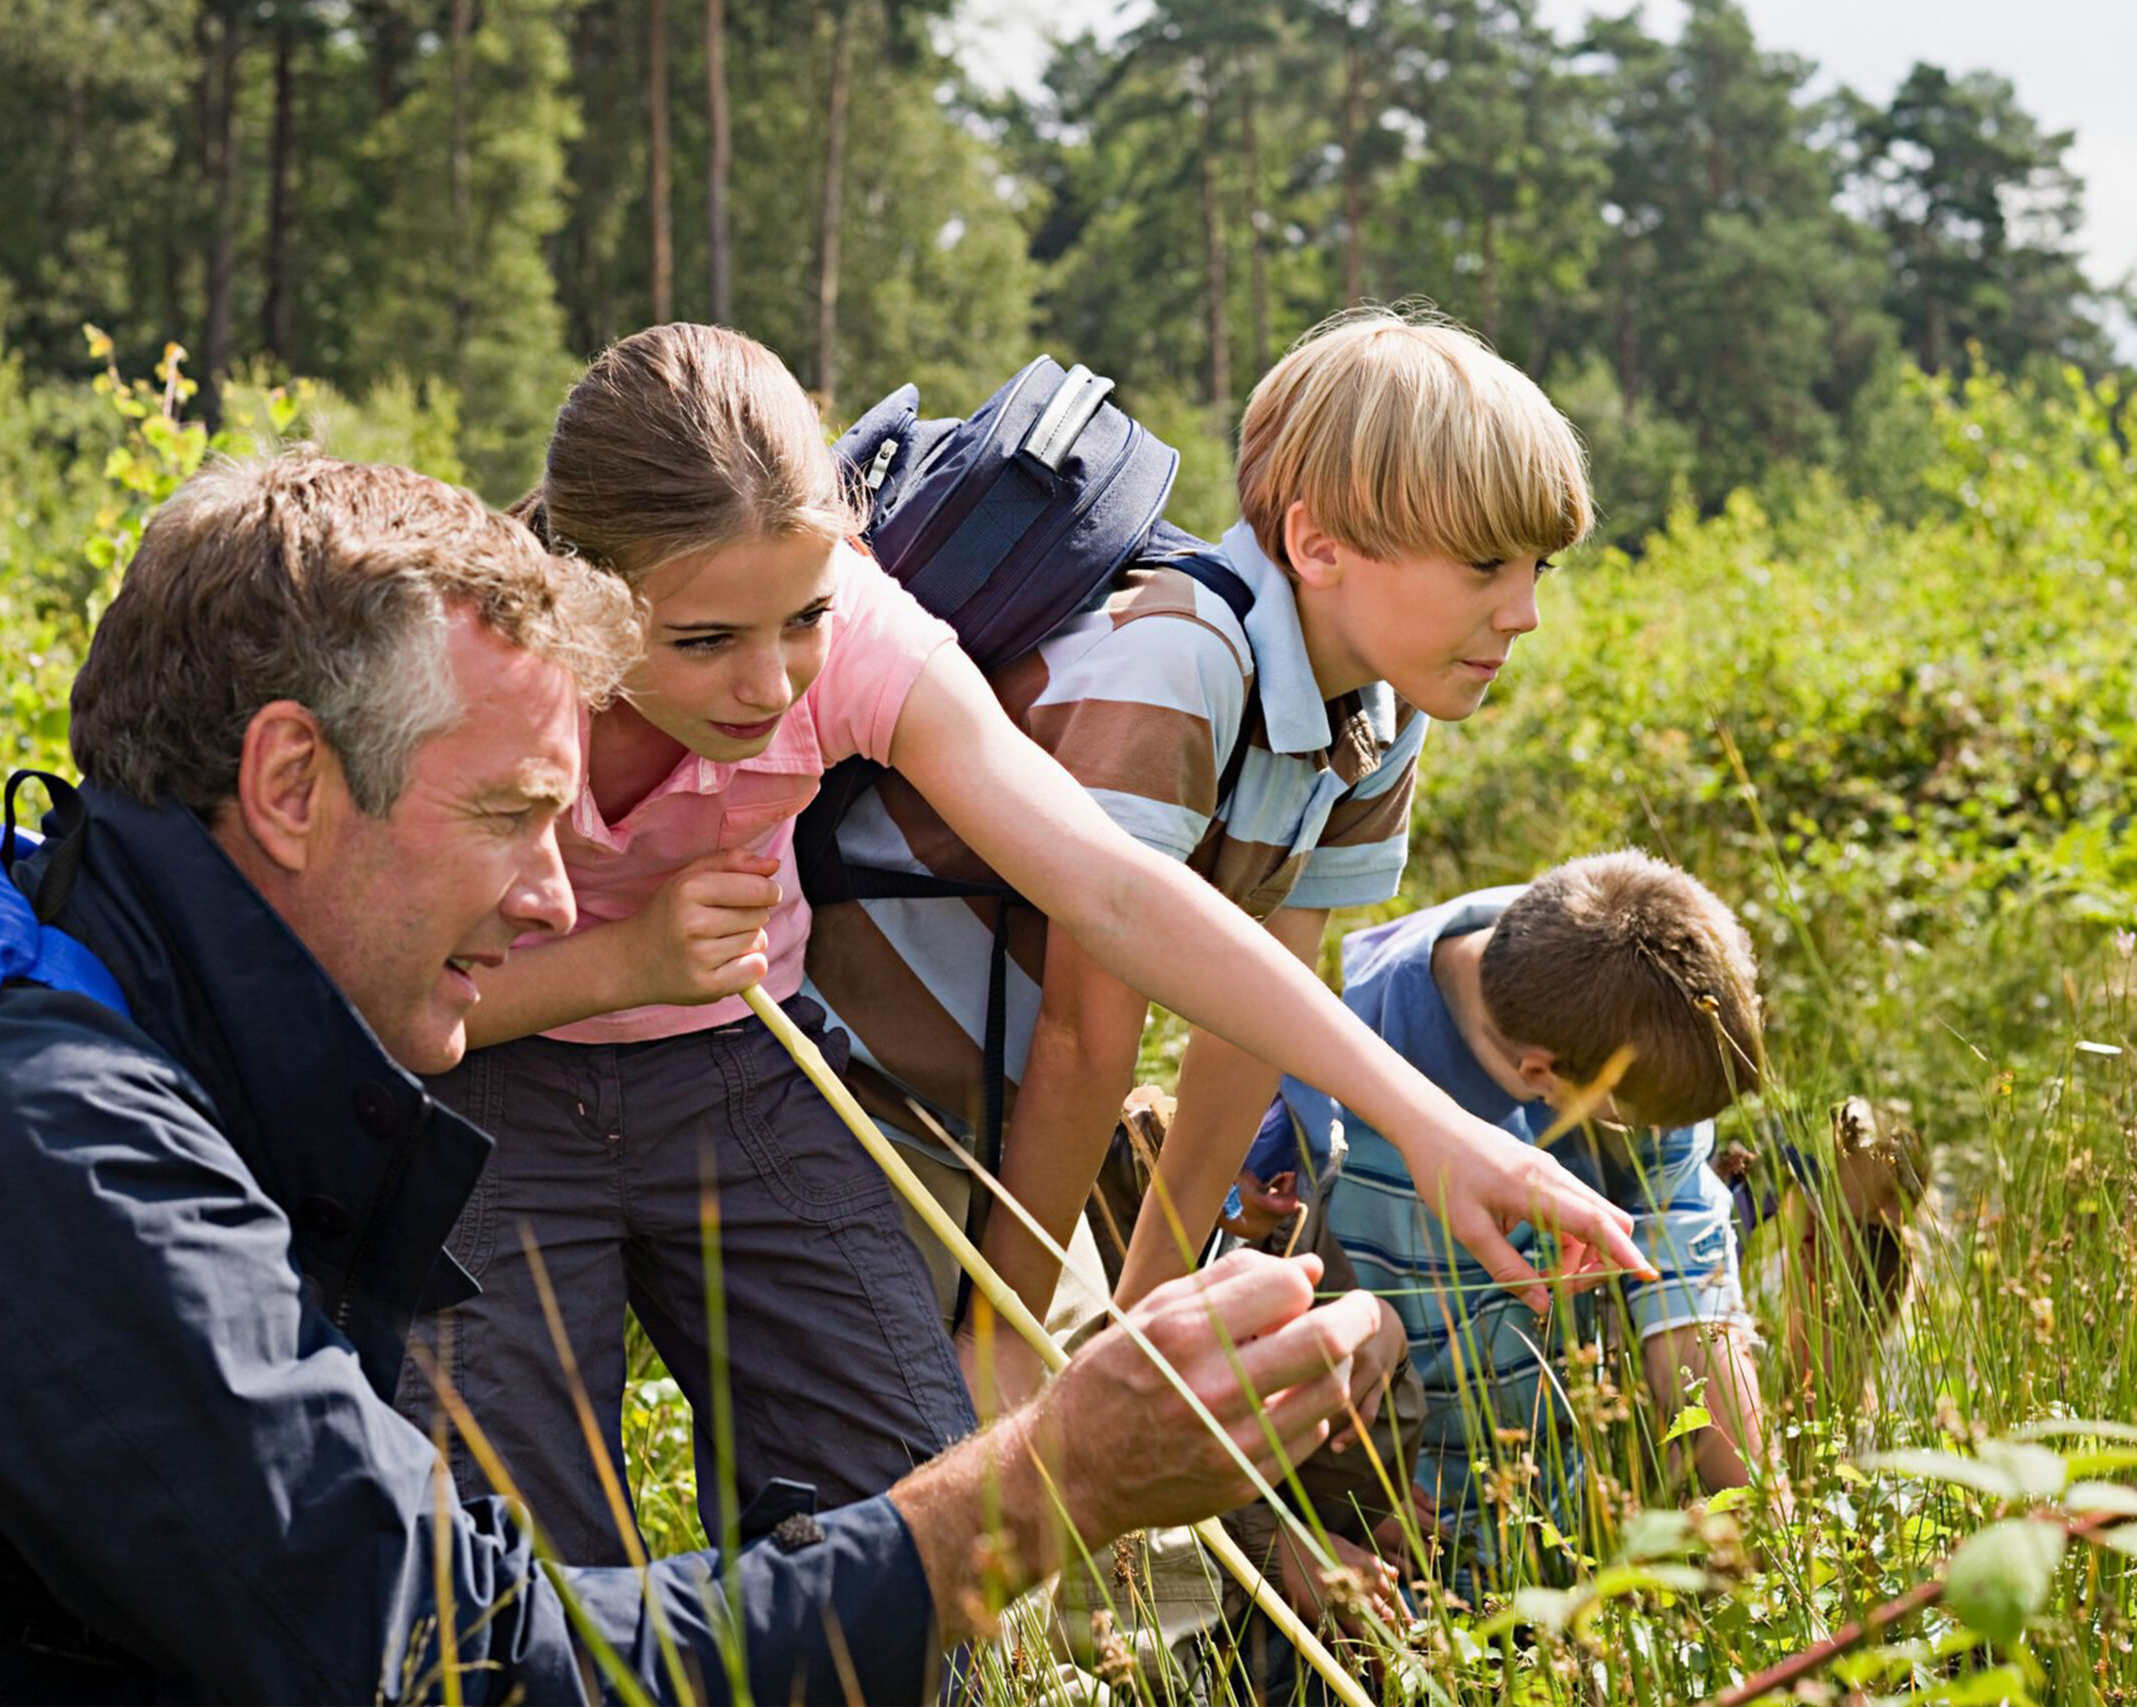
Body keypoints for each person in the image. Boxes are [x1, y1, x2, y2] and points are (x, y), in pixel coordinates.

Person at [0, 453, 1393, 1702]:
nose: (550, 891)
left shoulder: (67, 949)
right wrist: (1040, 1483)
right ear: (292, 785)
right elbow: (461, 1666)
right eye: (516, 816)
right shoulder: (63, 1155)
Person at [413, 321, 1652, 1569]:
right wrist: (622, 967)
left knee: (916, 1502)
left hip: (741, 1064)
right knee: (509, 1542)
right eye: (704, 644)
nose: (771, 686)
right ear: (577, 594)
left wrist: (1440, 1134)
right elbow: (364, 994)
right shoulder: (471, 679)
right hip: (497, 1077)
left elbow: (1116, 891)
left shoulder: (857, 640)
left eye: (801, 619)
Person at [804, 307, 1595, 1424]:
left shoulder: (1372, 713)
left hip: (994, 1113)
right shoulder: (1179, 657)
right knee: (955, 1463)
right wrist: (1005, 1338)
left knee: (1106, 1461)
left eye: (1536, 568)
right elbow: (1088, 1034)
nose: (1521, 613)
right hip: (861, 1093)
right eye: (1482, 566)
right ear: (1319, 547)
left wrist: (1147, 1312)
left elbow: (1249, 1029)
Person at [1245, 849, 1770, 1583]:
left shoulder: (1626, 1004)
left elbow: (1690, 1311)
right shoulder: (1324, 1095)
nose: (1658, 1141)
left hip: (1584, 1527)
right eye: (1630, 1123)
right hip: (1399, 1546)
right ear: (1540, 1075)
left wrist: (1771, 1539)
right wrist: (1285, 1531)